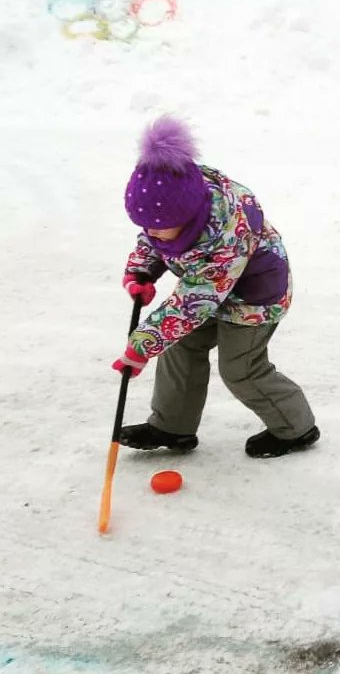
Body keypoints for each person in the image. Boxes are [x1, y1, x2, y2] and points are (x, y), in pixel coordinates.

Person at [112, 115, 319, 458]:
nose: (153, 233)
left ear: (191, 215)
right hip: (209, 287)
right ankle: (172, 426)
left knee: (240, 369)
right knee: (179, 347)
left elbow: (194, 300)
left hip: (254, 297)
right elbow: (155, 241)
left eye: (161, 228)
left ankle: (295, 427)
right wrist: (143, 271)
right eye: (146, 226)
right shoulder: (174, 210)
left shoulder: (228, 232)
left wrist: (142, 344)